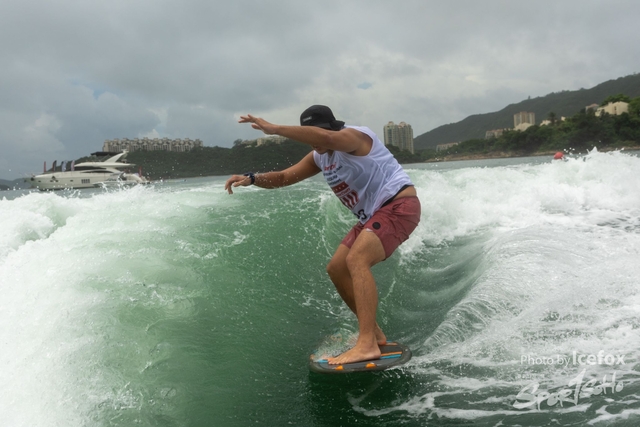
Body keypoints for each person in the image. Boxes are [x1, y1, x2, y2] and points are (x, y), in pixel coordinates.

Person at [225, 105, 421, 365]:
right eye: (310, 135)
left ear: (332, 128)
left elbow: (327, 138)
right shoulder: (319, 157)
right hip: (373, 216)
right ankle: (373, 334)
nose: (316, 141)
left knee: (357, 260)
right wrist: (252, 178)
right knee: (337, 269)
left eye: (317, 133)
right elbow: (283, 177)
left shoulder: (355, 137)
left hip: (398, 206)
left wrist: (274, 129)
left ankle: (366, 345)